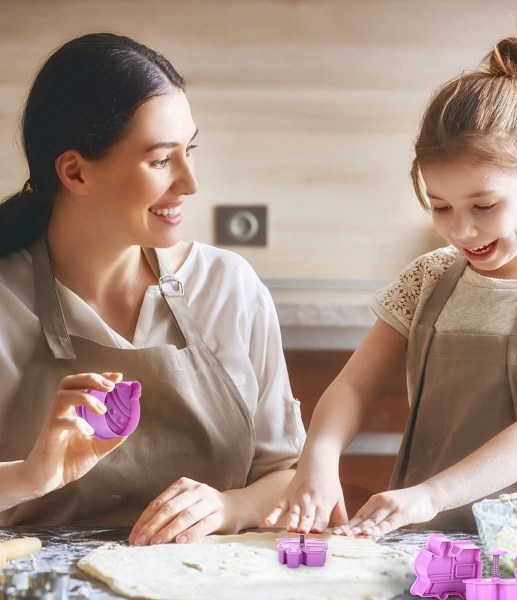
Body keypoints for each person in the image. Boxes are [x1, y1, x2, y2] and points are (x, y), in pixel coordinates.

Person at [266, 11, 517, 535]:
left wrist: (429, 495)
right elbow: (353, 386)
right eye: (440, 207)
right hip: (427, 533)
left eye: (484, 206)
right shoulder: (428, 278)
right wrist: (319, 459)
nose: (463, 231)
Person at [0, 33, 305, 545]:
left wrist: (229, 508)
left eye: (191, 151)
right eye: (162, 160)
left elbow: (289, 474)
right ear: (75, 171)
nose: (190, 182)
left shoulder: (229, 288)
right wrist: (31, 476)